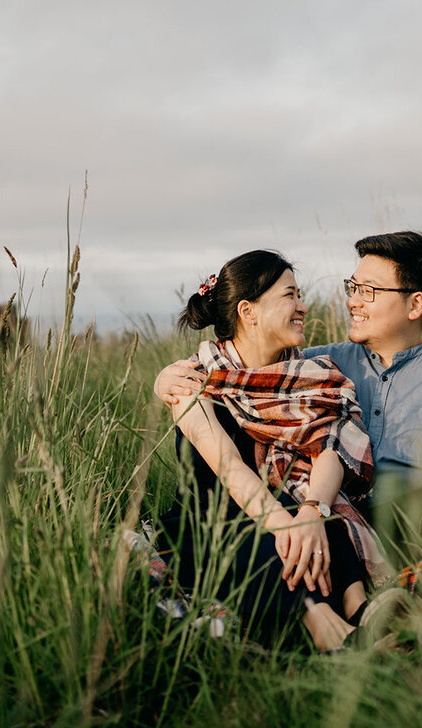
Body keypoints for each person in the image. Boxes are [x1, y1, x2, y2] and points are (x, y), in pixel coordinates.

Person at [159, 231, 422, 560]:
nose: (351, 301)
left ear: (415, 305)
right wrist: (166, 379)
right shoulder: (316, 366)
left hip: (418, 523)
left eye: (367, 291)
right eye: (352, 287)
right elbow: (247, 377)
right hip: (336, 519)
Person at [158, 249, 392, 652]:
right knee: (274, 537)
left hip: (282, 504)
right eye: (290, 295)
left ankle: (363, 610)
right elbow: (229, 467)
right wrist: (289, 525)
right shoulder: (193, 381)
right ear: (249, 311)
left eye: (300, 295)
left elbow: (329, 450)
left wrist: (308, 513)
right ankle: (325, 623)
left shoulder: (311, 376)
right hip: (212, 524)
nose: (303, 306)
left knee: (324, 516)